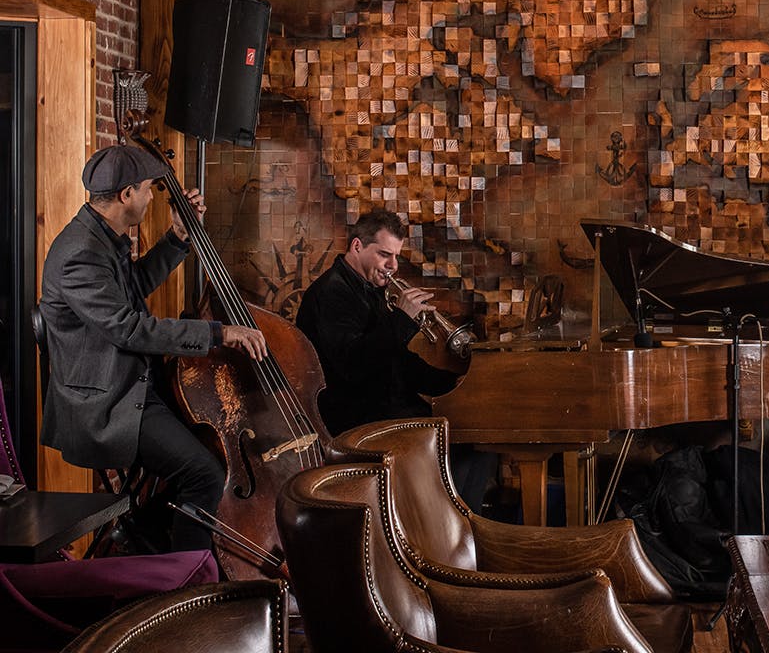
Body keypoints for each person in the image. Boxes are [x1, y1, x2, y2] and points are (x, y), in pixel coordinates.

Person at [39, 145, 268, 552]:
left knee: (211, 452)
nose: (150, 198)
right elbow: (129, 328)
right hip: (107, 405)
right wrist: (217, 333)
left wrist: (178, 237)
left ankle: (146, 536)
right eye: (147, 190)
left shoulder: (101, 236)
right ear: (127, 194)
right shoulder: (80, 254)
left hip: (134, 387)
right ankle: (187, 585)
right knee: (206, 475)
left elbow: (133, 290)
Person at [296, 210, 494, 510]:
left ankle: (454, 523)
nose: (393, 266)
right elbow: (353, 366)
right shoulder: (331, 293)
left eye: (396, 256)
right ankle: (444, 524)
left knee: (479, 439)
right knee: (464, 444)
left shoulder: (370, 287)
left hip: (386, 405)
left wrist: (451, 384)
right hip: (354, 416)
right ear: (357, 247)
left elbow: (398, 361)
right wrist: (401, 319)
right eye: (385, 255)